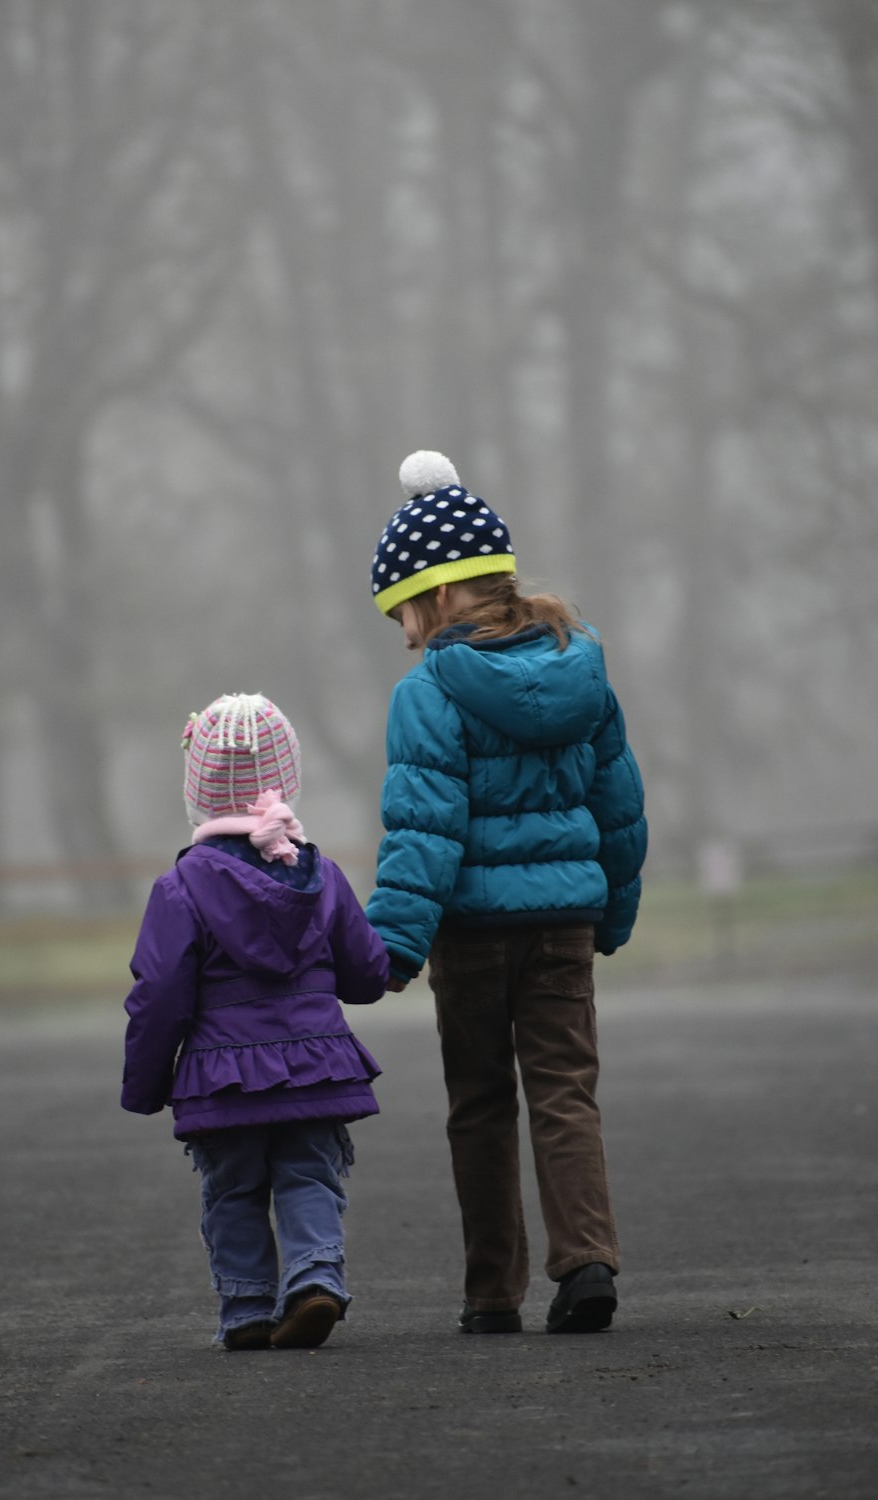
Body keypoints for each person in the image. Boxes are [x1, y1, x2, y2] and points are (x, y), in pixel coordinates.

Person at [365, 451, 647, 1336]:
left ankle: (492, 1293)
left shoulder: (430, 691)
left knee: (480, 1102)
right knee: (566, 1090)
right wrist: (616, 907)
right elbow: (619, 803)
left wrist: (396, 944)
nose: (407, 631)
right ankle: (587, 1262)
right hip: (564, 919)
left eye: (406, 608)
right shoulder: (582, 663)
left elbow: (425, 830)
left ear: (441, 594)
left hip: (474, 932)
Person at [121, 692, 388, 1351]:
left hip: (223, 1074)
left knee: (234, 1188)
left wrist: (147, 1083)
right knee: (308, 1174)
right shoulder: (318, 875)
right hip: (316, 1065)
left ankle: (245, 1309)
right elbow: (366, 973)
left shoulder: (180, 888)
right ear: (284, 779)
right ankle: (315, 1279)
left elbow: (159, 994)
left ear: (200, 793)